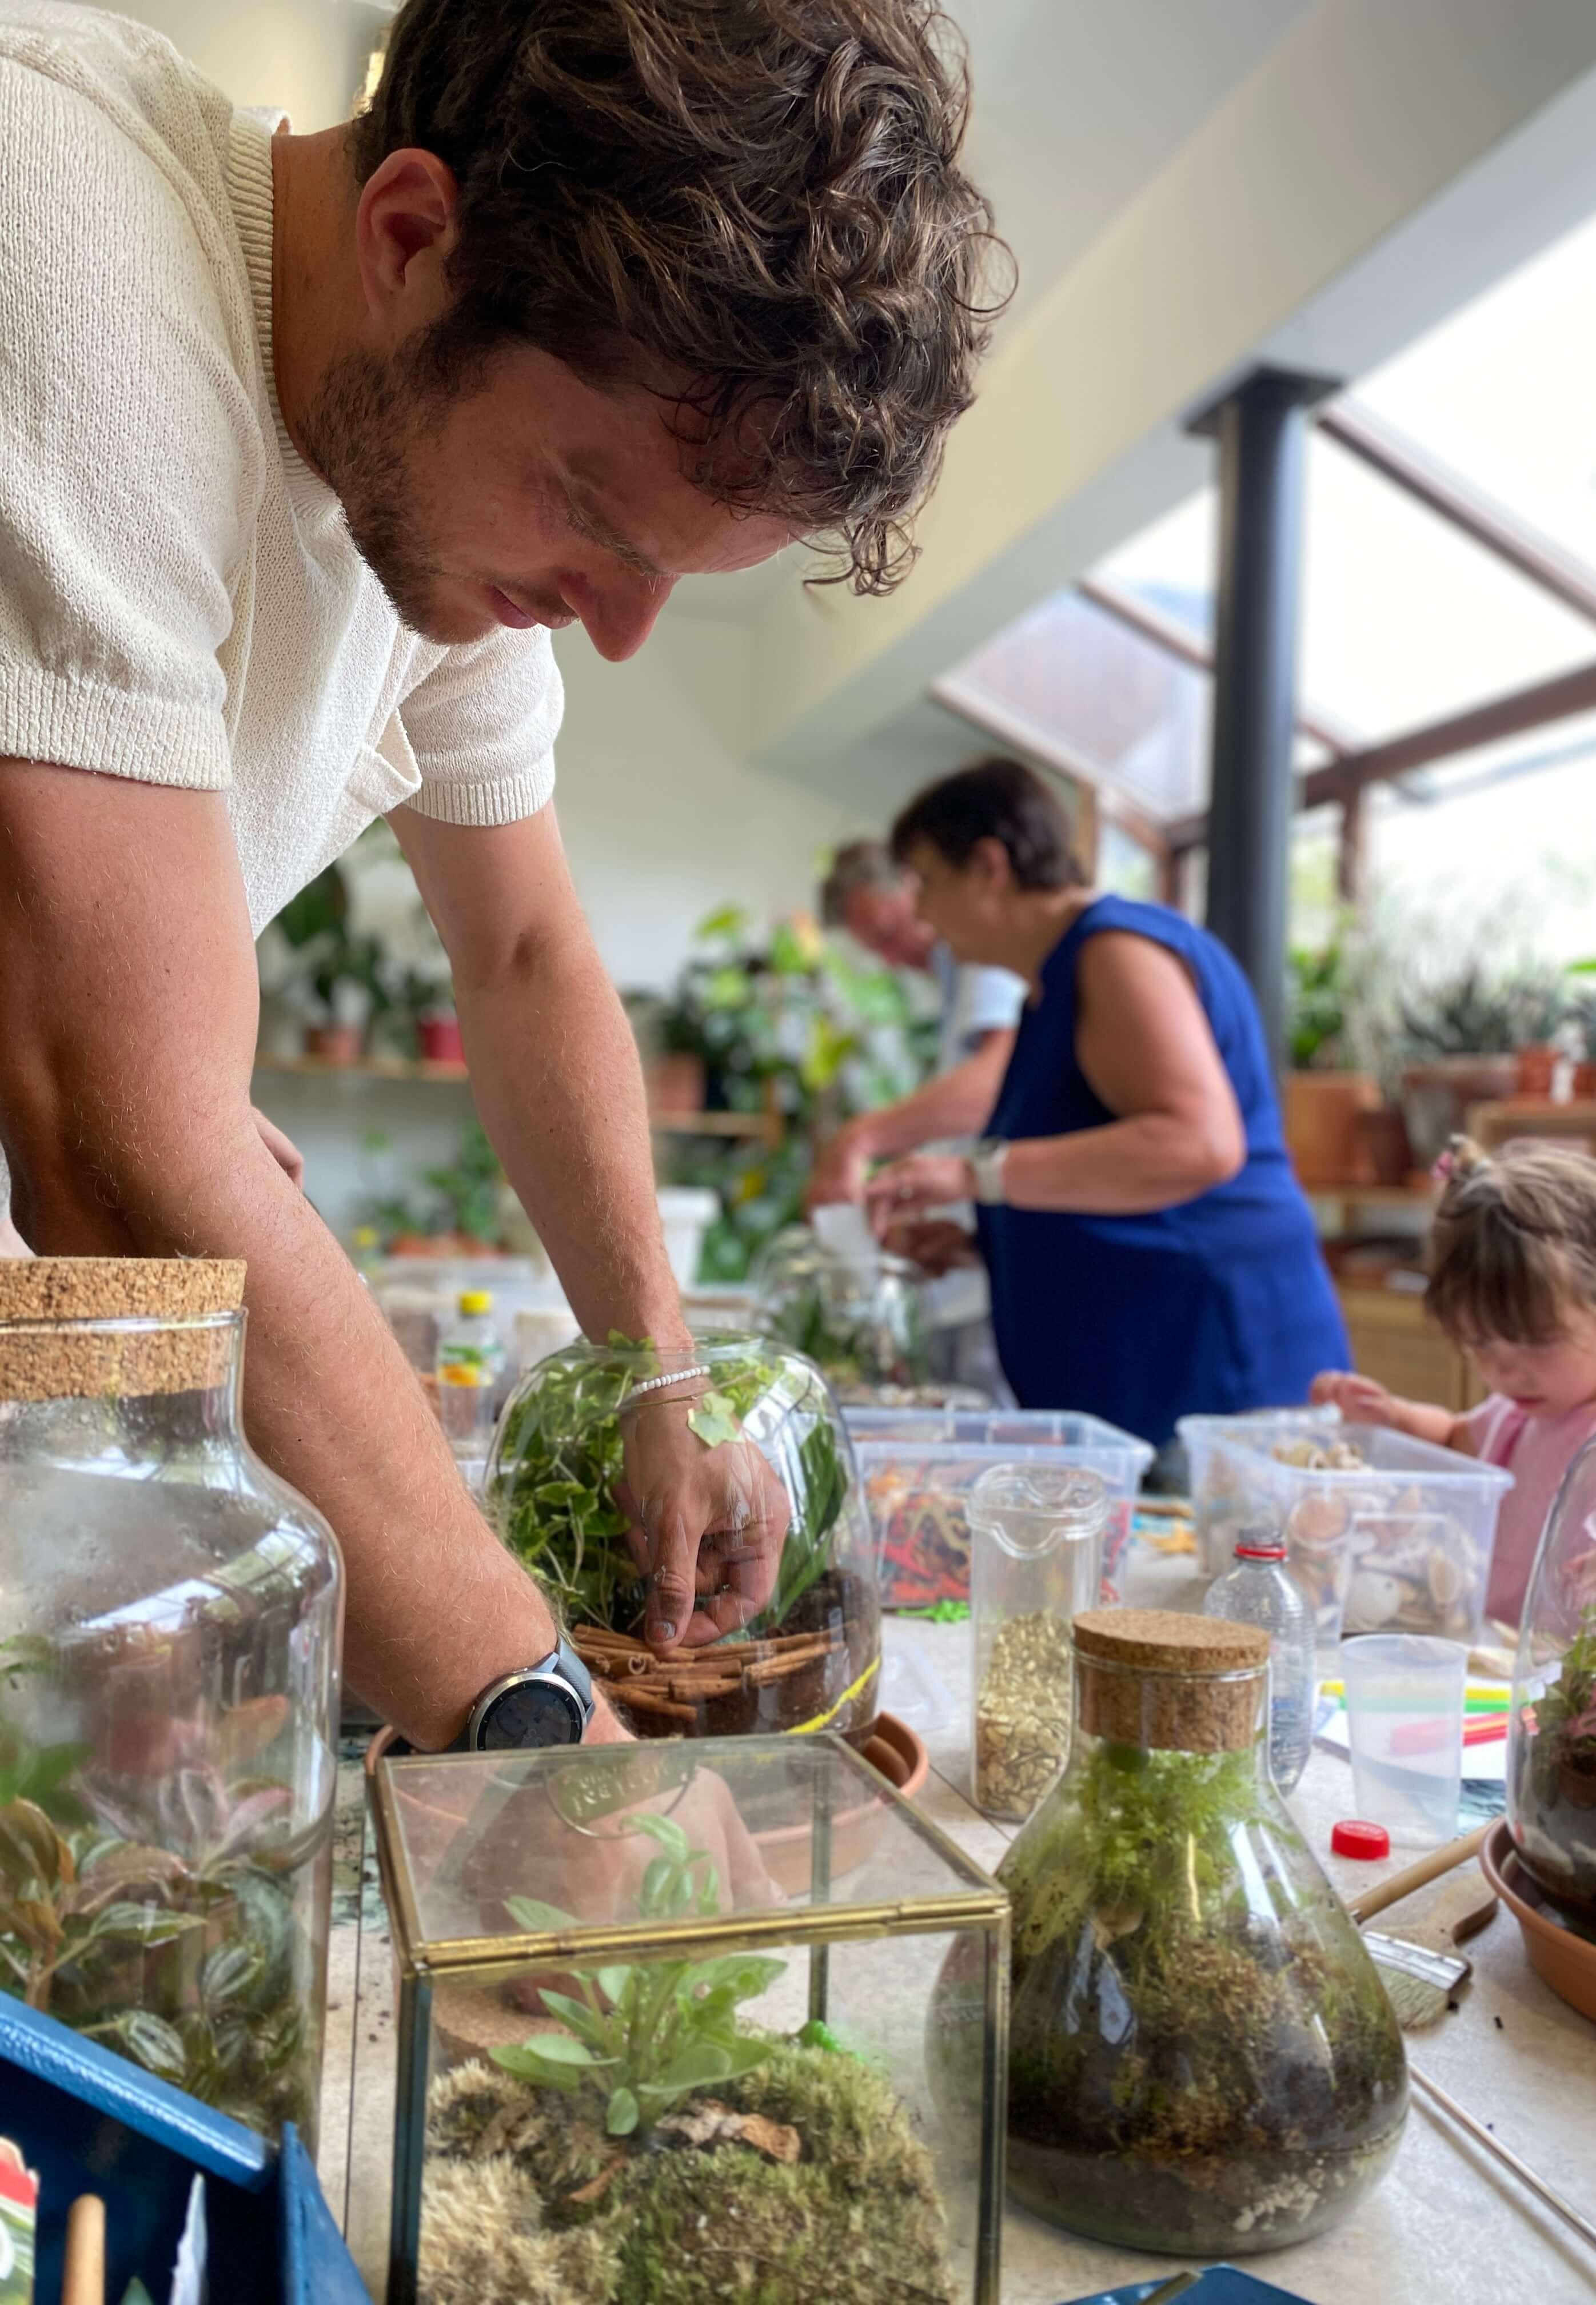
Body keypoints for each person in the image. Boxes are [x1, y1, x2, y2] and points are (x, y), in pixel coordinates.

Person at [0, 0, 1000, 1751]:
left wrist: (661, 1374)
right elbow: (117, 1148)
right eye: (598, 526)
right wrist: (550, 1743)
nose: (616, 634)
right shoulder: (68, 239)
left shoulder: (433, 520)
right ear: (410, 237)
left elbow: (527, 952)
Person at [861, 758, 1349, 1447]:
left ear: (988, 866)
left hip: (1217, 1379)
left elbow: (1199, 1145)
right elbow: (1111, 1178)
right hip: (1152, 1386)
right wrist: (988, 1243)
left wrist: (975, 1175)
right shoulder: (1051, 987)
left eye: (926, 882)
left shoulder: (1116, 951)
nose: (920, 914)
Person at [1312, 1136, 1596, 1625]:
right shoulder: (1518, 1418)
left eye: (1538, 1342)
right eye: (1481, 1343)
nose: (1505, 1371)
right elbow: (1453, 1437)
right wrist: (1391, 1417)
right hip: (1500, 1663)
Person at [807, 838, 1023, 1209]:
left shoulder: (983, 953)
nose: (893, 960)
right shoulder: (953, 977)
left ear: (915, 885)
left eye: (889, 933)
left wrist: (861, 1138)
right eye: (877, 950)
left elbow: (997, 1080)